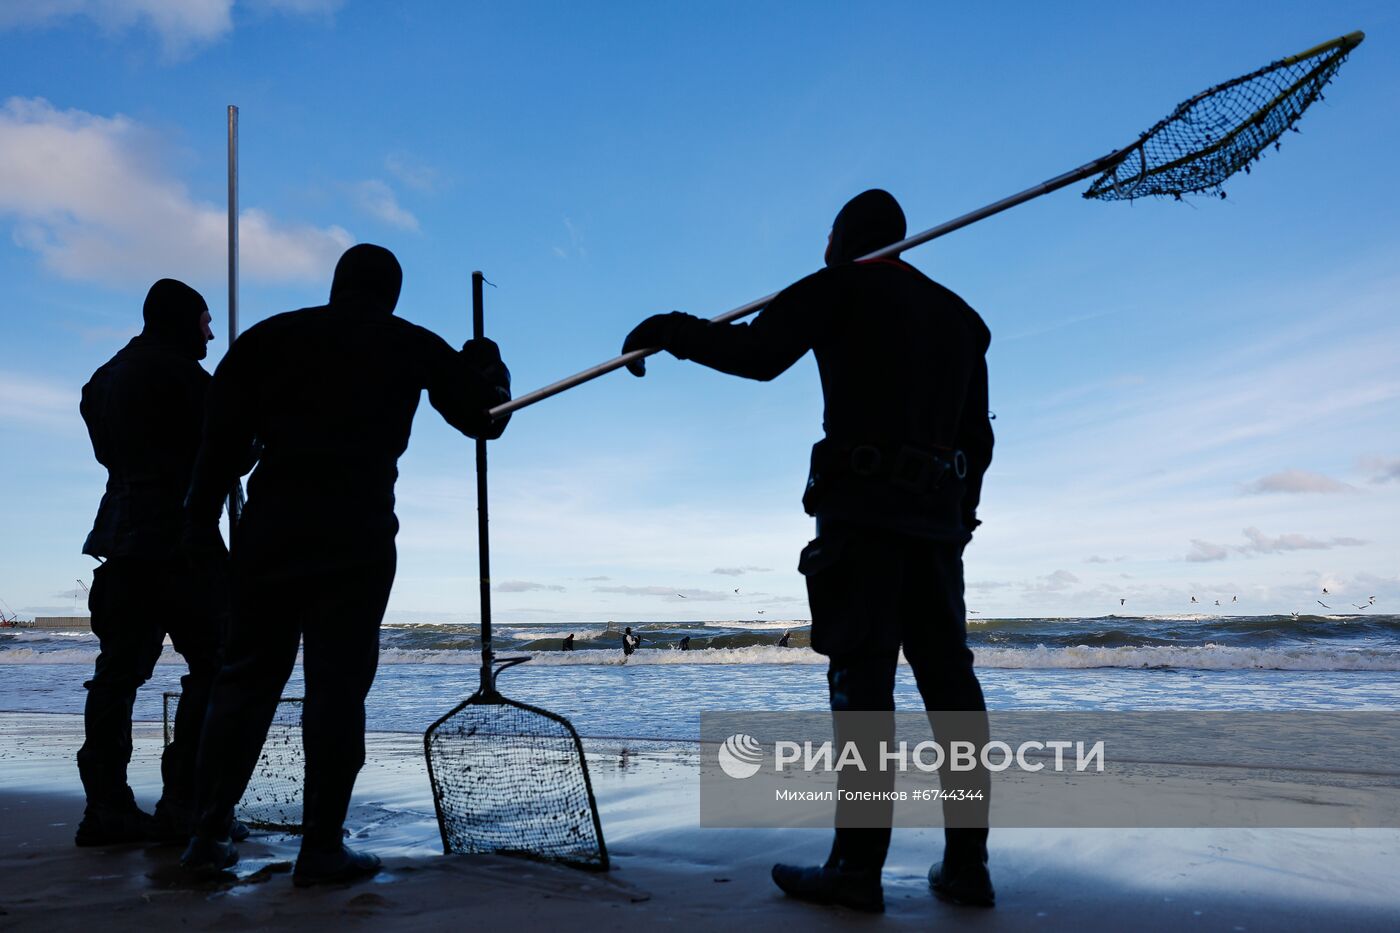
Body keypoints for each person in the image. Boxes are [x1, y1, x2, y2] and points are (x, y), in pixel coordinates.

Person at [622, 189, 995, 910]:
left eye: (828, 235)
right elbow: (977, 441)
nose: (822, 247)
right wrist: (963, 516)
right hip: (937, 525)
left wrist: (671, 328)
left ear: (845, 237)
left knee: (863, 692)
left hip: (861, 520)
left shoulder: (836, 286)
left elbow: (757, 354)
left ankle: (856, 870)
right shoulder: (962, 319)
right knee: (952, 688)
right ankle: (968, 866)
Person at [180, 244, 512, 886]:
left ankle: (206, 835)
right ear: (391, 292)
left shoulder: (267, 339)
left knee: (245, 678)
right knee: (337, 688)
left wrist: (198, 521)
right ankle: (322, 847)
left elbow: (216, 440)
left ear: (337, 284)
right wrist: (488, 363)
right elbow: (485, 418)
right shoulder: (408, 342)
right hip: (355, 533)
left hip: (270, 527)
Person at [75, 279, 241, 847]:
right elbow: (234, 451)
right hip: (182, 541)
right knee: (215, 666)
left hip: (120, 543)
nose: (212, 334)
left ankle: (106, 806)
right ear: (180, 320)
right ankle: (183, 801)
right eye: (204, 321)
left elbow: (106, 451)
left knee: (116, 676)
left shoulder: (101, 381)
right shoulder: (188, 378)